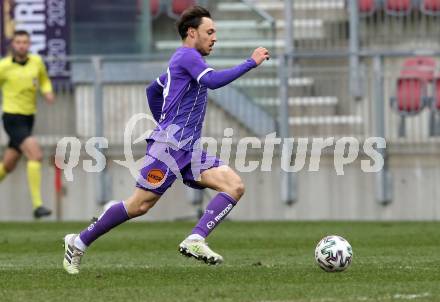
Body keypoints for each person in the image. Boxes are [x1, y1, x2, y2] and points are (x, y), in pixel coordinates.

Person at [62, 6, 269, 274]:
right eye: (210, 31)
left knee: (234, 185)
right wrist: (250, 62)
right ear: (192, 33)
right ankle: (77, 242)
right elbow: (214, 82)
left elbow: (154, 89)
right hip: (170, 148)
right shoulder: (187, 56)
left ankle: (195, 238)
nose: (214, 37)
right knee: (139, 205)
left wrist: (164, 118)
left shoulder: (183, 63)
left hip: (189, 148)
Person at [0, 30, 55, 218]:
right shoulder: (4, 66)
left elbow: (44, 80)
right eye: (18, 42)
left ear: (28, 45)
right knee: (36, 154)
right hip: (12, 117)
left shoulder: (36, 62)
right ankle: (37, 206)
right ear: (12, 45)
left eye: (25, 42)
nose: (21, 45)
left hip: (28, 118)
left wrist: (47, 91)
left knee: (8, 165)